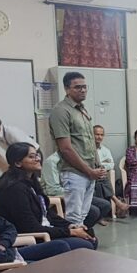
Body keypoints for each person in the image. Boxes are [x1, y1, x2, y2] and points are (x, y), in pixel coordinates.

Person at [0, 143, 99, 246]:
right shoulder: (15, 189)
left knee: (89, 236)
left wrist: (71, 226)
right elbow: (30, 227)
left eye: (37, 155)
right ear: (18, 163)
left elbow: (47, 213)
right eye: (31, 157)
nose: (38, 159)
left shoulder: (32, 182)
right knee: (82, 243)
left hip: (45, 231)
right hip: (31, 238)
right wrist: (70, 232)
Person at [50, 72, 106, 227]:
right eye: (77, 87)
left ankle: (83, 240)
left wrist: (97, 165)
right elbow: (66, 148)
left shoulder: (81, 110)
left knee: (83, 215)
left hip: (89, 172)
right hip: (75, 173)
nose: (83, 90)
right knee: (74, 218)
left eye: (85, 87)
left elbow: (90, 140)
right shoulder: (61, 111)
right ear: (67, 89)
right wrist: (89, 171)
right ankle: (76, 242)